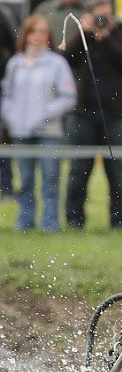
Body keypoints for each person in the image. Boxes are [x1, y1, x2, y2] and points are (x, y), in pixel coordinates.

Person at [62, 0, 122, 229]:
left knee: (120, 172)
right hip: (83, 113)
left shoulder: (121, 34)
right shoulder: (80, 36)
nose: (101, 20)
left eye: (105, 15)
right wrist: (84, 32)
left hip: (117, 114)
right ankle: (74, 220)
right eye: (97, 16)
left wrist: (106, 39)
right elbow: (66, 58)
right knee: (78, 169)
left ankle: (121, 222)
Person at [1, 14, 76, 231]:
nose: (38, 37)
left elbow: (68, 97)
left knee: (50, 180)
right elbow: (7, 95)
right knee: (25, 180)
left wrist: (43, 113)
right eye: (34, 31)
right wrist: (12, 117)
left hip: (48, 131)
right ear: (26, 34)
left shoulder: (57, 63)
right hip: (21, 131)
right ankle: (25, 221)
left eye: (43, 32)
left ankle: (50, 223)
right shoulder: (15, 63)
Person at [0, 3, 19, 198]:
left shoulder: (4, 12)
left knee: (2, 139)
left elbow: (17, 45)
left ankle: (5, 187)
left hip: (2, 85)